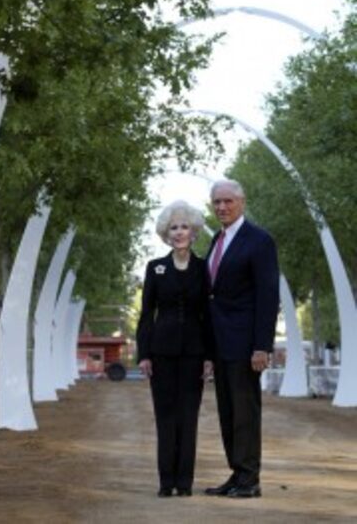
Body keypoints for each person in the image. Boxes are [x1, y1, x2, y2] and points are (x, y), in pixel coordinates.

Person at [204, 179, 279, 499]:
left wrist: (262, 345)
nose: (221, 207)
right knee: (228, 413)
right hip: (220, 343)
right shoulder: (216, 241)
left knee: (245, 413)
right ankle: (236, 474)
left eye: (227, 201)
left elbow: (268, 295)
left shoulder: (259, 240)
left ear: (241, 203)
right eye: (216, 202)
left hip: (246, 344)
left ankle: (250, 479)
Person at [137, 200, 213, 498]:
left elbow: (208, 316)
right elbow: (146, 314)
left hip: (195, 353)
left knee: (188, 417)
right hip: (161, 352)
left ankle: (185, 484)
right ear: (166, 234)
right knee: (165, 416)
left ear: (194, 232)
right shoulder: (154, 268)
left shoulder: (204, 268)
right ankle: (165, 482)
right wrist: (143, 354)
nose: (179, 232)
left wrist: (209, 357)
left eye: (184, 227)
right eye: (173, 227)